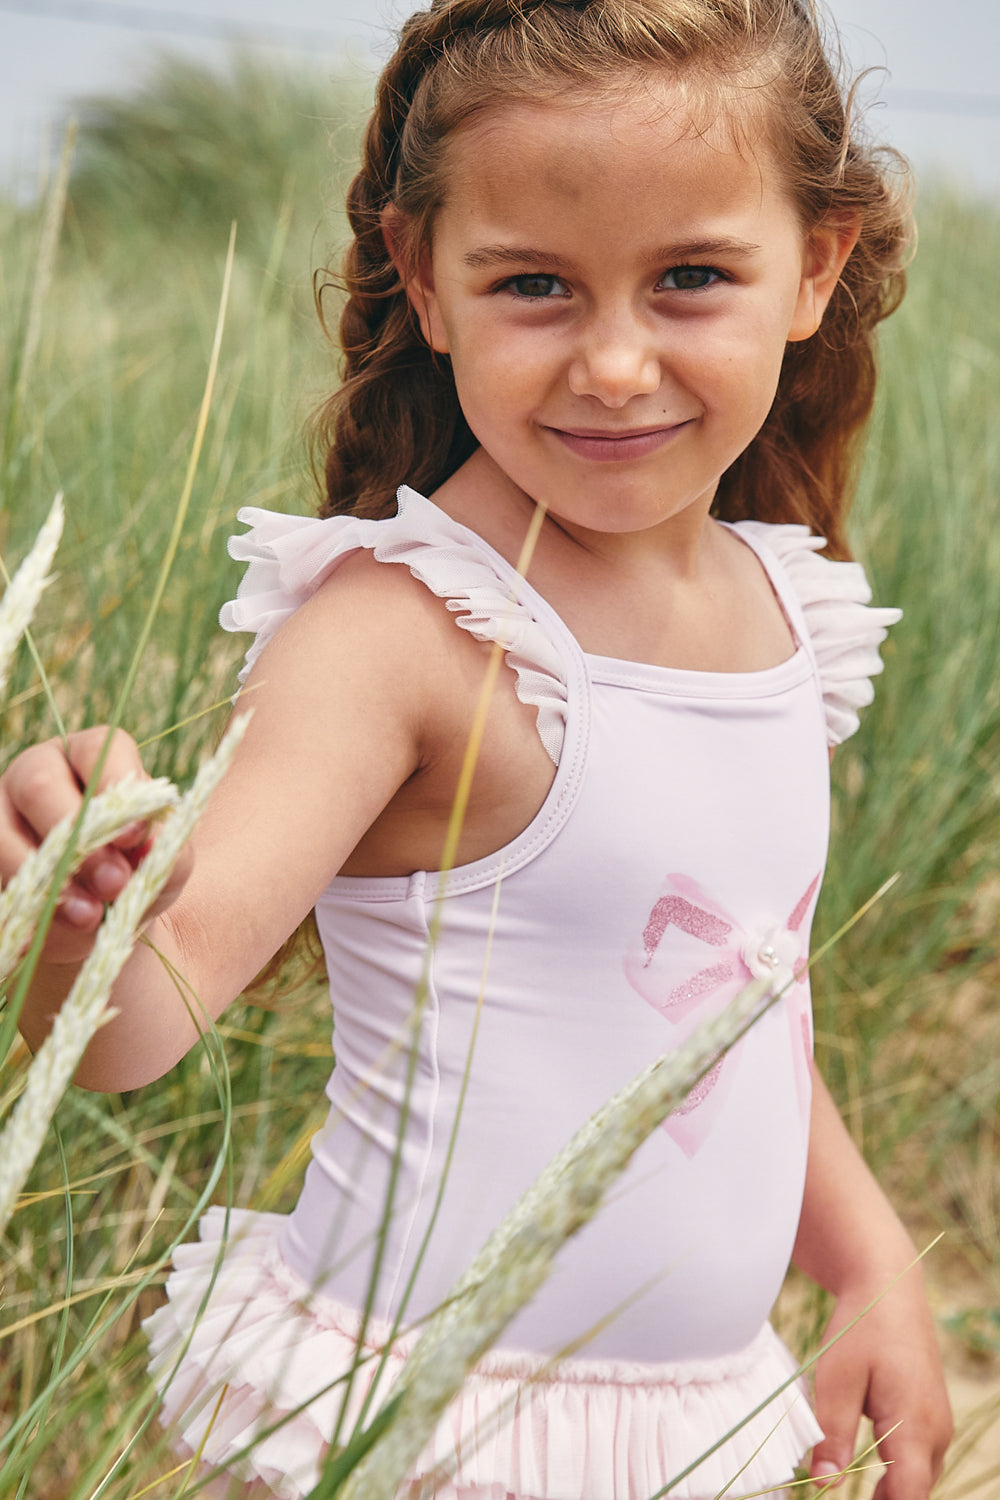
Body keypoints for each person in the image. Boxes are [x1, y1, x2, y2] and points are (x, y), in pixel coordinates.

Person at [3, 1, 953, 1496]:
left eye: (693, 276)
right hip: (415, 1431)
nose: (619, 364)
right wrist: (85, 888)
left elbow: (748, 1002)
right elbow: (134, 1033)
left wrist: (874, 1262)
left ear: (815, 268)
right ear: (424, 279)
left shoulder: (783, 609)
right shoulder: (411, 631)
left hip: (688, 1426)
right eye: (535, 287)